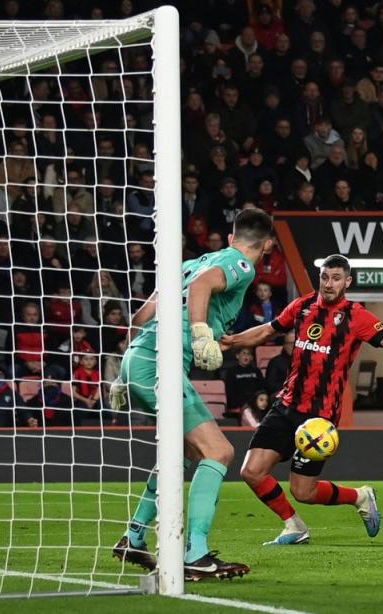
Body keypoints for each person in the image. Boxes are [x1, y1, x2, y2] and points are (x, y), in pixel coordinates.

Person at [221, 254, 383, 545]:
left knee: (304, 492)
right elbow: (267, 330)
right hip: (285, 407)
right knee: (251, 471)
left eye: (336, 278)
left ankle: (360, 496)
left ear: (347, 282)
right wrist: (231, 341)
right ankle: (294, 526)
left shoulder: (356, 316)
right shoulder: (302, 306)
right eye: (324, 277)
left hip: (318, 419)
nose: (328, 284)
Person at [110, 210, 276, 579]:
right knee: (219, 451)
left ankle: (134, 537)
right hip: (160, 364)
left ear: (231, 237)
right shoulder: (241, 266)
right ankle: (196, 554)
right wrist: (201, 332)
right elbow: (202, 287)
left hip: (139, 358)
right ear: (266, 245)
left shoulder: (191, 262)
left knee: (184, 451)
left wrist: (124, 373)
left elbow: (141, 316)